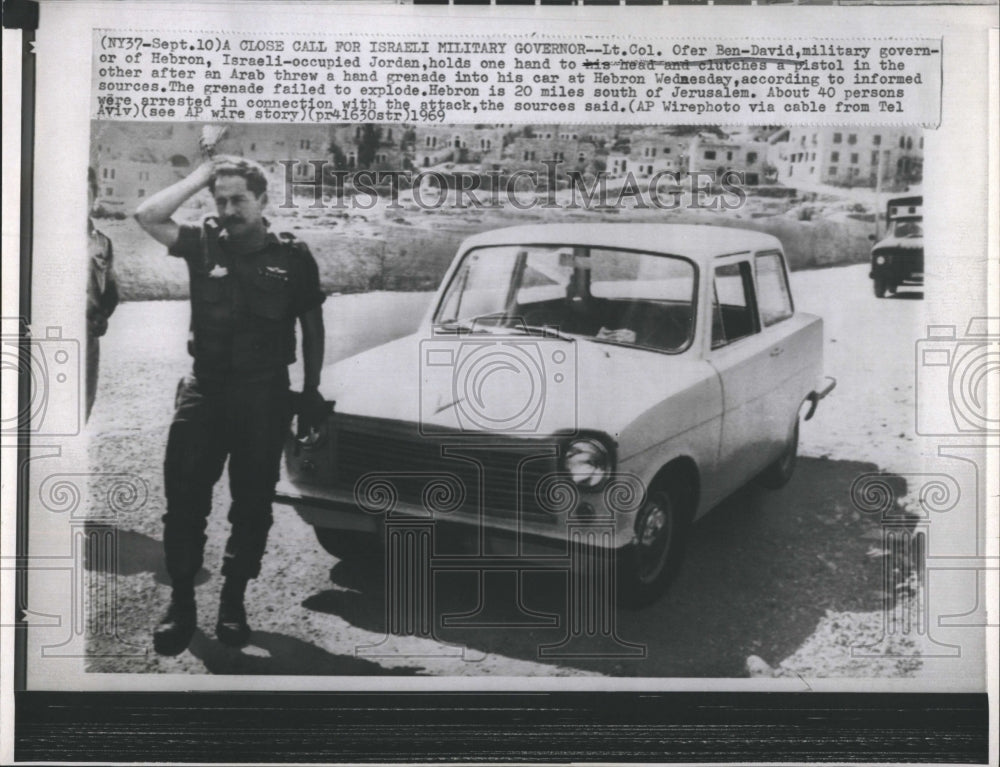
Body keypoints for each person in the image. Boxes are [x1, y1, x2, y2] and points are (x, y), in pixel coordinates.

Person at [134, 156, 327, 655]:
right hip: (206, 391)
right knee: (184, 503)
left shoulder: (293, 256)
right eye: (220, 200)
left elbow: (311, 328)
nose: (228, 208)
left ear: (263, 200)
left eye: (239, 198)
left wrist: (309, 393)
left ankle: (234, 601)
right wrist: (202, 175)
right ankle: (181, 602)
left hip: (263, 396)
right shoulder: (202, 243)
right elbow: (147, 216)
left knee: (252, 506)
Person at [86, 167, 119, 421]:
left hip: (87, 338)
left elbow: (111, 288)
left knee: (82, 404)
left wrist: (104, 314)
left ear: (94, 198)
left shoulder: (102, 243)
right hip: (49, 331)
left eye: (85, 194)